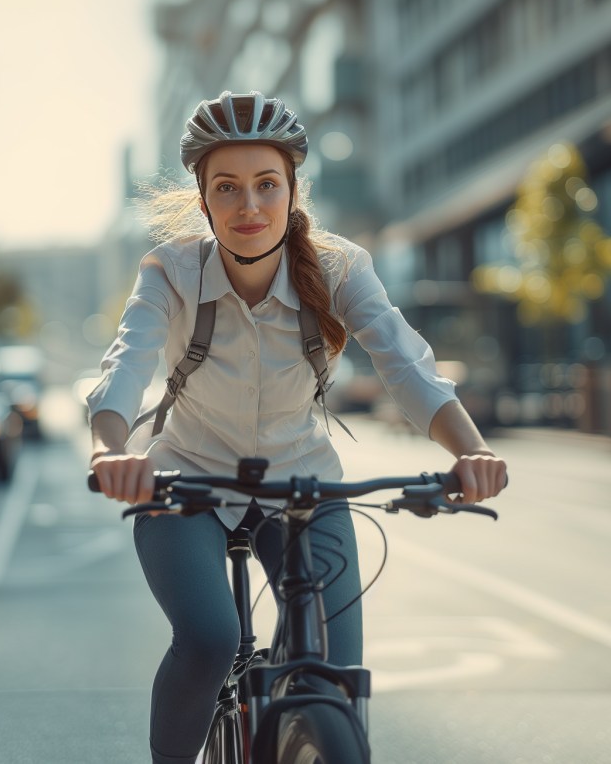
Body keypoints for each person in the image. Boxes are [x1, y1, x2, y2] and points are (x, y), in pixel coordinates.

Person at [87, 90, 508, 764]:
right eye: (227, 189)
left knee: (332, 672)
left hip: (306, 489)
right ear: (203, 201)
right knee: (209, 639)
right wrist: (111, 453)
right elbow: (124, 368)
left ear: (291, 192)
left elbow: (407, 364)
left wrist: (473, 450)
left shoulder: (340, 268)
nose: (248, 206)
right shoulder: (170, 273)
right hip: (184, 488)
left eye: (266, 185)